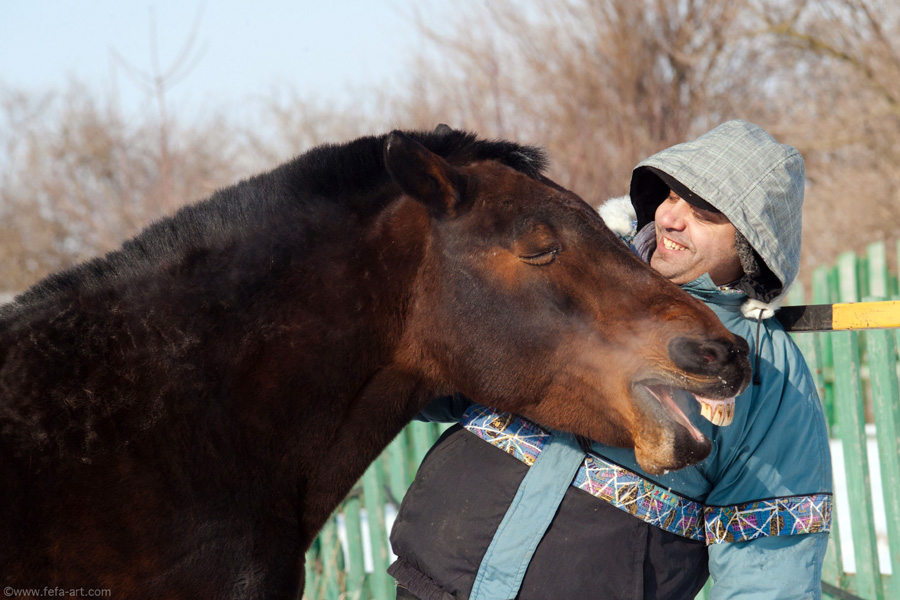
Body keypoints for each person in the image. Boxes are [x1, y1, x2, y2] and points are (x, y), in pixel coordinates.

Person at [387, 120, 833, 599]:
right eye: (671, 196)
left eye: (703, 212)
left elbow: (767, 564)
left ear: (750, 242)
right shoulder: (570, 269)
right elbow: (443, 384)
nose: (670, 219)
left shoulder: (771, 378)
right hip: (433, 581)